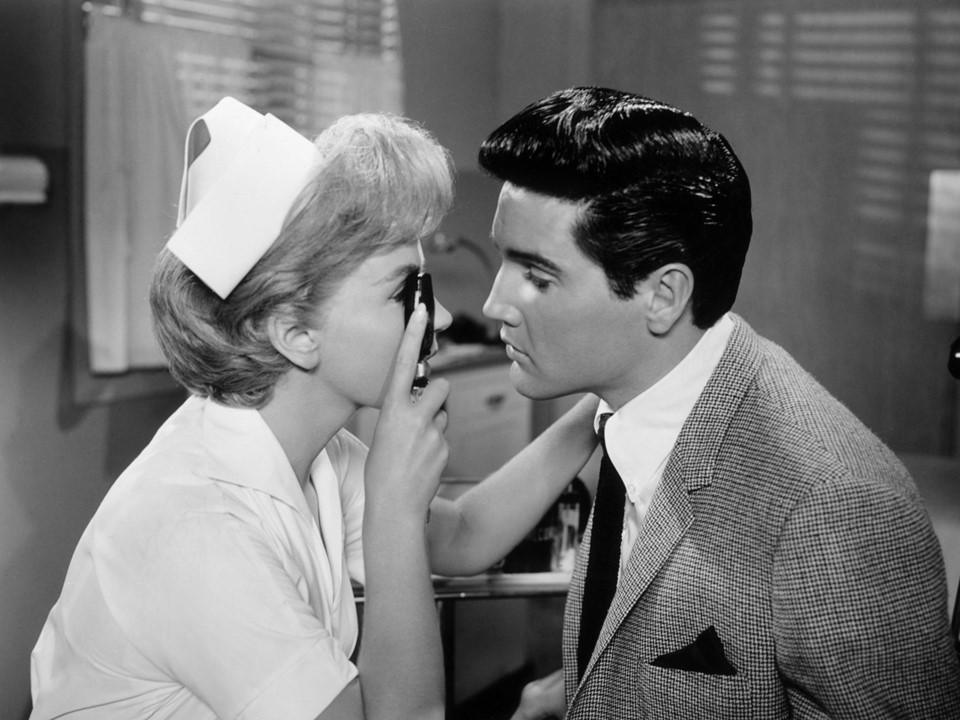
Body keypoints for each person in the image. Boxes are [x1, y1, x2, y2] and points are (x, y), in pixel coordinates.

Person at [28, 98, 599, 720]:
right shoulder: (195, 526)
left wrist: (599, 405)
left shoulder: (309, 454)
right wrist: (393, 507)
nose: (436, 317)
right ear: (295, 332)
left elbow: (463, 536)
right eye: (403, 292)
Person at [476, 86, 960, 719]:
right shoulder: (639, 395)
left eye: (538, 277)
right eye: (504, 262)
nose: (494, 304)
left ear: (663, 296)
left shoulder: (834, 505)